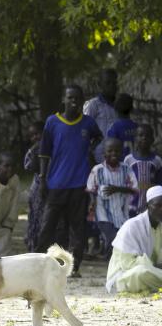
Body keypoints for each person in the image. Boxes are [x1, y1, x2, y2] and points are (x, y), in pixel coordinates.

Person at [38, 85, 102, 277]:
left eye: (78, 99)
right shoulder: (52, 122)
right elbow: (44, 153)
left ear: (82, 101)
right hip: (56, 184)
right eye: (70, 98)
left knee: (77, 228)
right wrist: (42, 179)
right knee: (48, 226)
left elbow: (98, 137)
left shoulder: (88, 123)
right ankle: (39, 263)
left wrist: (89, 151)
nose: (74, 102)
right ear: (64, 100)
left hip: (79, 185)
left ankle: (73, 267)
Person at [87, 138, 139, 258]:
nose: (113, 153)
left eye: (117, 151)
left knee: (119, 236)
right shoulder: (97, 170)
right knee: (112, 236)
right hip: (102, 211)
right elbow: (91, 188)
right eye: (110, 151)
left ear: (121, 152)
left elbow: (135, 189)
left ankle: (109, 256)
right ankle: (113, 257)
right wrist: (92, 202)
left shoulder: (126, 169)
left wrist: (118, 189)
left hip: (121, 211)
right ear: (104, 153)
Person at [105, 185, 162, 293]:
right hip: (124, 277)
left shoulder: (160, 226)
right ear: (147, 206)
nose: (161, 209)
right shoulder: (132, 226)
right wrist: (154, 266)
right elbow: (127, 264)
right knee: (142, 272)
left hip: (153, 272)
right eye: (158, 205)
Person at [124, 124, 162, 215]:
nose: (144, 138)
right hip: (131, 205)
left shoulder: (157, 160)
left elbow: (160, 183)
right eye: (140, 135)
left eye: (147, 136)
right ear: (135, 139)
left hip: (150, 206)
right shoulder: (128, 160)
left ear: (152, 140)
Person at [84, 68, 118, 162]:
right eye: (108, 83)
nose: (112, 86)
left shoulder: (119, 107)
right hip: (97, 159)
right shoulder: (93, 105)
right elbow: (85, 130)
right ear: (99, 85)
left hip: (116, 158)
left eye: (114, 83)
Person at [24, 121, 46, 251]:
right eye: (32, 136)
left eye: (38, 134)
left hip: (51, 187)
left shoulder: (52, 148)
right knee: (35, 216)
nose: (35, 138)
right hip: (37, 188)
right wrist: (34, 152)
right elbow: (29, 167)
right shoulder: (33, 150)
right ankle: (34, 244)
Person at [106, 93, 137, 158]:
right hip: (135, 164)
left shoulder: (114, 128)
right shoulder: (137, 127)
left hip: (121, 165)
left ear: (115, 108)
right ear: (131, 109)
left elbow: (111, 150)